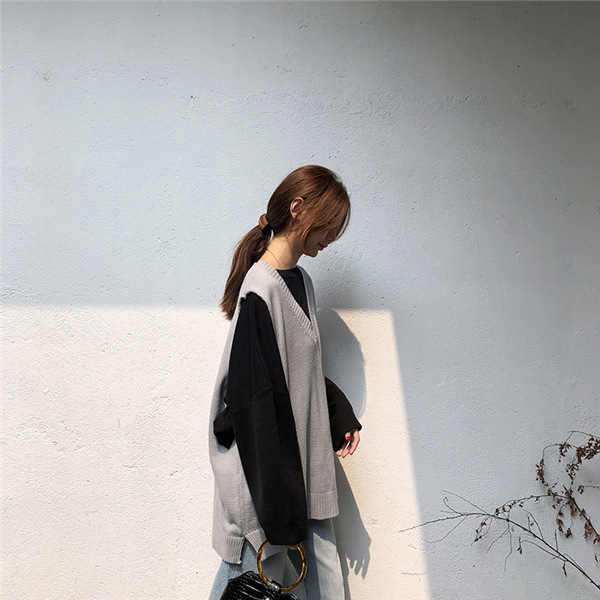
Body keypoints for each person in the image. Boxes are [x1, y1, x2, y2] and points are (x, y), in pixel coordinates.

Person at [207, 165, 362, 599]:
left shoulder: (300, 282)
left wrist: (337, 413)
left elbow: (297, 370)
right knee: (243, 586)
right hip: (267, 486)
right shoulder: (261, 289)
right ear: (297, 209)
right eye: (329, 223)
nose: (331, 236)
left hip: (301, 474)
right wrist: (277, 509)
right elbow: (251, 401)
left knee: (321, 585)